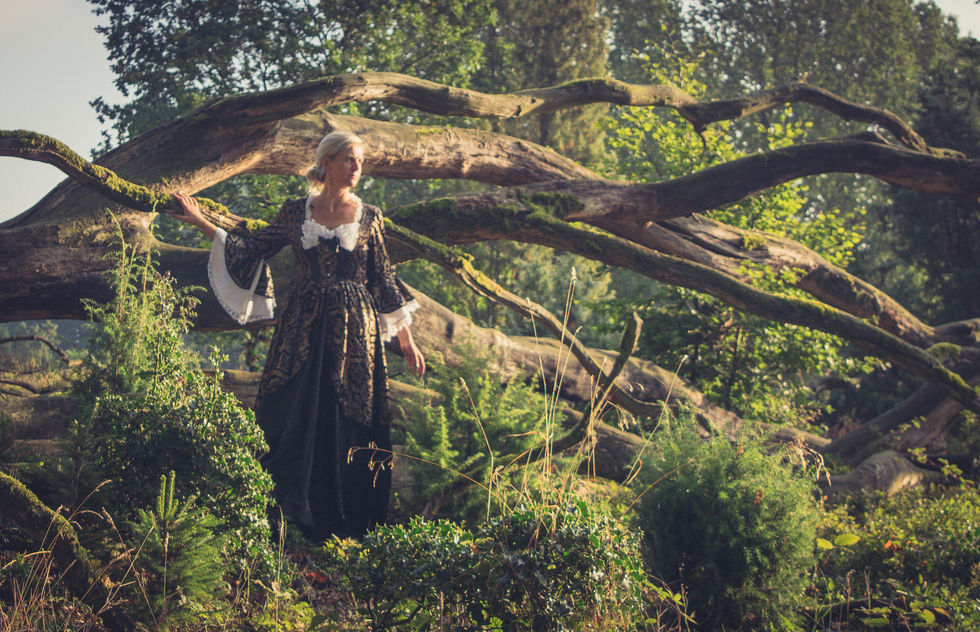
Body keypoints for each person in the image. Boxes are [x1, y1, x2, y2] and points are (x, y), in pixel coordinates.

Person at [173, 131, 425, 540]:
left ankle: (347, 523)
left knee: (349, 415)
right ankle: (281, 514)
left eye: (359, 161)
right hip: (301, 328)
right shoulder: (295, 212)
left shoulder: (370, 217)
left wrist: (407, 340)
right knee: (288, 408)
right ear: (327, 162)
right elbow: (251, 249)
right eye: (349, 159)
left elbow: (383, 278)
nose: (356, 167)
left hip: (354, 333)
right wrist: (201, 221)